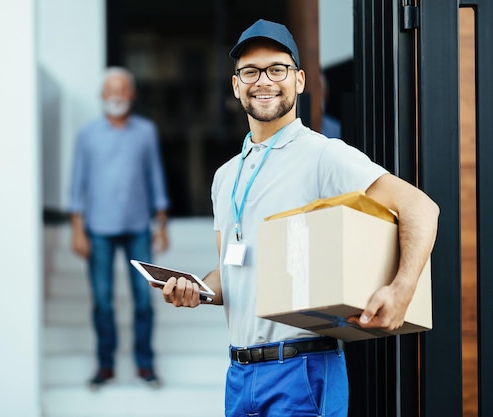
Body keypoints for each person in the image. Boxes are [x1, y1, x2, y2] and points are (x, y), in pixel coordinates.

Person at [156, 19, 439, 416]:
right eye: (251, 71)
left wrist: (402, 288)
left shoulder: (323, 155)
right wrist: (196, 288)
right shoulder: (225, 176)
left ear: (300, 80)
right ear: (236, 85)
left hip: (303, 369)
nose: (264, 81)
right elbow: (231, 273)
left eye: (277, 69)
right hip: (239, 374)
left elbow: (420, 207)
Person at [69, 66, 170, 390]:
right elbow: (76, 183)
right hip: (98, 227)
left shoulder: (146, 131)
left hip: (139, 225)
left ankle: (145, 364)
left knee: (144, 298)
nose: (116, 95)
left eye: (122, 89)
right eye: (110, 89)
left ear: (132, 94)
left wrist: (162, 223)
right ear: (102, 96)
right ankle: (106, 364)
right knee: (102, 300)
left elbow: (155, 175)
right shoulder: (86, 135)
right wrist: (77, 228)